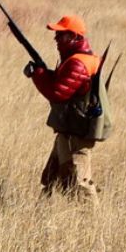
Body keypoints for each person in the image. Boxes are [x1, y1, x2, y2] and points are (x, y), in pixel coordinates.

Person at [25, 14, 101, 201]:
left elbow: (58, 94)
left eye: (61, 35)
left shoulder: (78, 63)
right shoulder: (76, 59)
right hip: (69, 128)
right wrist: (43, 72)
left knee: (82, 182)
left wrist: (38, 74)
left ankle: (92, 224)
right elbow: (65, 86)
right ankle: (42, 216)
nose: (56, 39)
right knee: (52, 177)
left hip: (77, 132)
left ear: (75, 36)